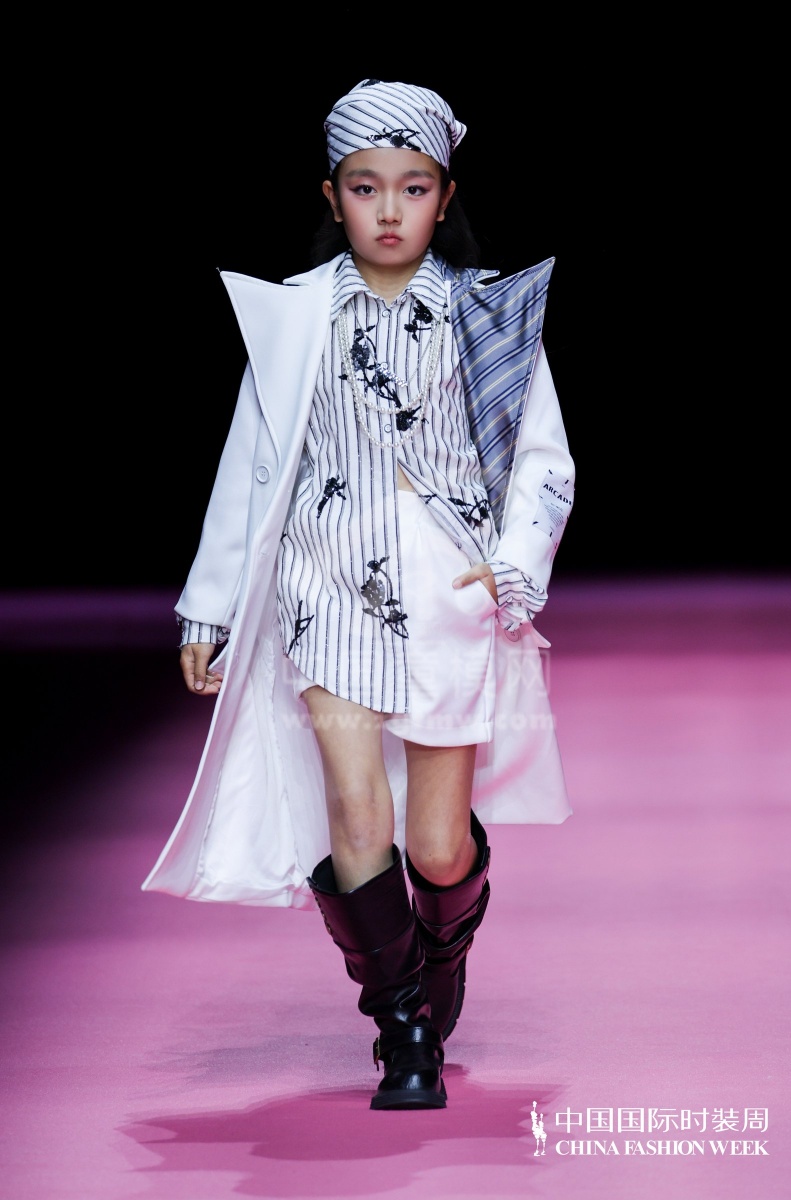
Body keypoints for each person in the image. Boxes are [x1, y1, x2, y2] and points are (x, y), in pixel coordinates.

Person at [142, 79, 575, 1112]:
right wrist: (208, 603)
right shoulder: (295, 317)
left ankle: (441, 949)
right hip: (325, 580)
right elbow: (253, 466)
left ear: (444, 195)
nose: (389, 210)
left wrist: (515, 564)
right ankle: (401, 1026)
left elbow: (543, 459)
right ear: (331, 196)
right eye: (365, 186)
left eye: (412, 187)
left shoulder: (489, 314)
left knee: (436, 844)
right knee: (353, 803)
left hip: (450, 590)